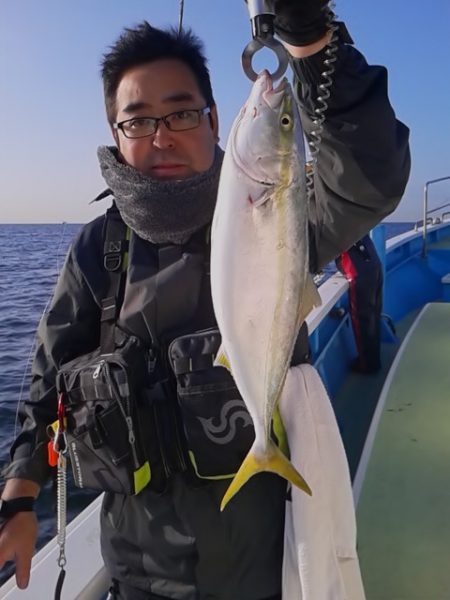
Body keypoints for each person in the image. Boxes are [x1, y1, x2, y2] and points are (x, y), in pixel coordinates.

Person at [0, 2, 410, 598]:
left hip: (266, 565)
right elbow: (47, 375)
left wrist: (313, 47)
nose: (161, 135)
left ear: (218, 120)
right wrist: (19, 494)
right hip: (136, 574)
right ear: (115, 135)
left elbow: (371, 176)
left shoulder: (283, 211)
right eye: (137, 121)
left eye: (182, 113)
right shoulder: (98, 250)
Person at [336, 234, 383, 374]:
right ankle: (373, 360)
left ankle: (367, 364)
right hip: (374, 265)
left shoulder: (337, 219)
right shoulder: (356, 217)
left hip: (358, 272)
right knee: (374, 315)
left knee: (362, 319)